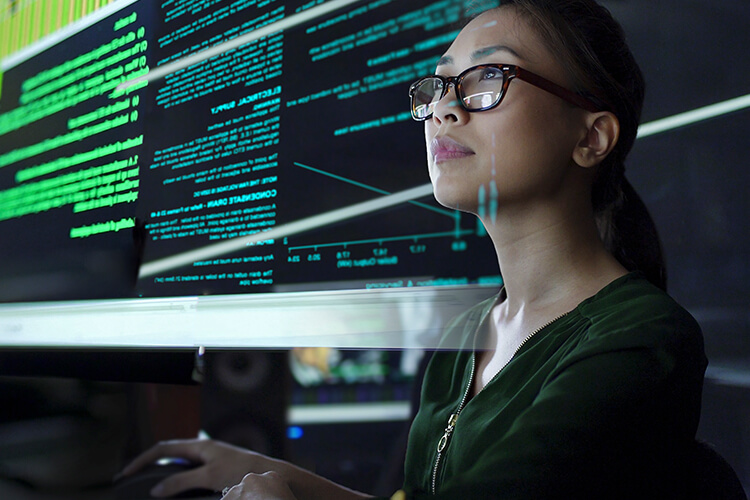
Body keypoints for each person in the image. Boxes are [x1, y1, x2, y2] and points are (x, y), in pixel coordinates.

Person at [119, 1, 707, 498]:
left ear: (592, 137)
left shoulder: (642, 337)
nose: (444, 110)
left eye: (487, 80)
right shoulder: (469, 332)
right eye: (439, 86)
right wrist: (282, 478)